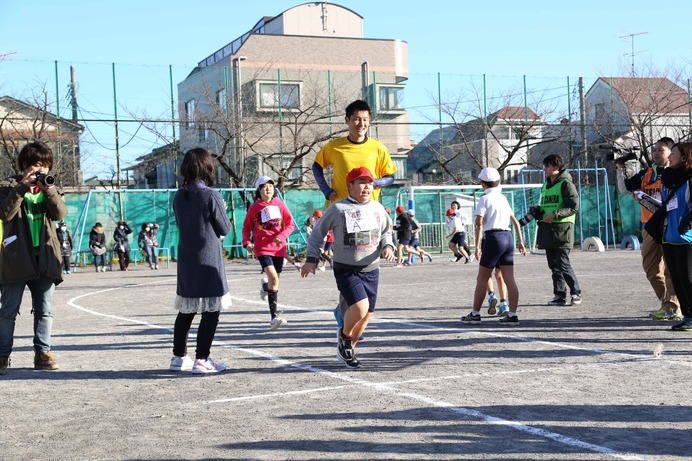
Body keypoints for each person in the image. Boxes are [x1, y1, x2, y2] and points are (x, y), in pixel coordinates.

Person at [301, 167, 395, 368]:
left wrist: (388, 246)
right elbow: (318, 234)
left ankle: (347, 350)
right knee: (361, 308)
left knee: (367, 314)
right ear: (349, 186)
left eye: (369, 182)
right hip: (346, 268)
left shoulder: (377, 208)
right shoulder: (338, 208)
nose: (366, 186)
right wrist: (311, 258)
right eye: (361, 182)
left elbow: (387, 231)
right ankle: (344, 335)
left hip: (371, 268)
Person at [0, 141, 67, 374]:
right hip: (16, 258)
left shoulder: (51, 187)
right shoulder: (7, 186)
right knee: (8, 311)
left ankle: (42, 354)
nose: (39, 170)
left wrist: (47, 189)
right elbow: (4, 214)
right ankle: (2, 355)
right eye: (34, 165)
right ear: (24, 166)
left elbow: (59, 214)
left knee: (45, 310)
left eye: (44, 166)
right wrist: (21, 188)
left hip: (46, 256)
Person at [170, 147, 231, 373]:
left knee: (187, 310)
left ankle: (179, 357)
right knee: (211, 309)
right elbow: (224, 227)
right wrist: (222, 210)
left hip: (187, 257)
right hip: (208, 259)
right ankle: (202, 359)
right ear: (206, 167)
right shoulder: (210, 195)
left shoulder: (179, 194)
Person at [616, 137, 680, 320]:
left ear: (671, 153)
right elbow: (625, 189)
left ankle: (673, 306)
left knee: (671, 269)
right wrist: (620, 168)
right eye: (654, 150)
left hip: (671, 225)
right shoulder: (647, 173)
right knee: (651, 269)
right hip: (650, 227)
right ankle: (668, 303)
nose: (656, 153)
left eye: (661, 150)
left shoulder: (677, 173)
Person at [461, 167, 525, 324]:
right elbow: (515, 221)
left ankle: (475, 314)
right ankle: (512, 315)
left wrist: (476, 247)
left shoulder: (484, 199)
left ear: (483, 184)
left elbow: (479, 224)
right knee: (509, 279)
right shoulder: (503, 198)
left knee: (482, 277)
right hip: (508, 238)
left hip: (493, 238)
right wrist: (521, 241)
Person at [312, 99, 397, 207]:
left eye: (365, 120)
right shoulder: (333, 146)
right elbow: (316, 167)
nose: (362, 124)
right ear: (347, 120)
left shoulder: (378, 148)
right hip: (340, 209)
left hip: (368, 210)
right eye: (357, 119)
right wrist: (326, 190)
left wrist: (372, 183)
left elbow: (390, 178)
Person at [242, 175, 295, 330]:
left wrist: (282, 236)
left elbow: (290, 224)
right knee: (273, 277)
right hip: (262, 248)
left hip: (279, 249)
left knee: (274, 280)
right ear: (259, 190)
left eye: (271, 186)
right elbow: (246, 227)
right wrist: (247, 242)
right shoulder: (254, 207)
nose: (268, 189)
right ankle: (274, 317)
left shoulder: (280, 204)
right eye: (264, 186)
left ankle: (265, 288)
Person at [536, 154, 582, 306]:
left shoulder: (565, 183)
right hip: (548, 230)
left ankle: (576, 293)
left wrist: (555, 214)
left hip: (562, 229)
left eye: (548, 166)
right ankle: (559, 295)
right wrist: (537, 212)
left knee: (563, 263)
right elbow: (545, 206)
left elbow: (573, 207)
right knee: (554, 266)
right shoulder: (546, 185)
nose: (545, 169)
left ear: (556, 167)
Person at [660, 142, 692, 331]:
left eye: (673, 153)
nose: (670, 156)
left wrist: (688, 220)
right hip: (668, 235)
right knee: (677, 279)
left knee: (688, 278)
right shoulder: (667, 178)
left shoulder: (689, 178)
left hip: (687, 236)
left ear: (685, 156)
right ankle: (687, 315)